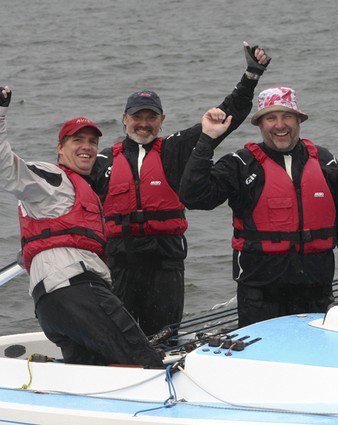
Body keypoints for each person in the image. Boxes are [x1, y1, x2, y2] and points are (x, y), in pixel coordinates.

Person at [90, 42, 271, 337]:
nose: (144, 124)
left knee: (163, 337)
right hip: (119, 265)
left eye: (151, 117)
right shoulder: (103, 161)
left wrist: (251, 75)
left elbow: (227, 116)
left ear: (162, 121)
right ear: (124, 119)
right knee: (118, 336)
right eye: (137, 117)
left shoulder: (174, 149)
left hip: (165, 264)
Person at [0, 86, 163, 368]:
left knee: (93, 372)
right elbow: (4, 170)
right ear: (60, 149)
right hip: (76, 292)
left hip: (50, 306)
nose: (87, 147)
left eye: (92, 142)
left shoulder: (79, 189)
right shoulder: (51, 178)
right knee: (145, 362)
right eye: (77, 140)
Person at [179, 87, 338, 328]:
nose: (280, 125)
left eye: (287, 116)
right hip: (259, 301)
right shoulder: (241, 165)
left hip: (315, 298)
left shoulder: (325, 163)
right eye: (271, 118)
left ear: (298, 120)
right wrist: (207, 140)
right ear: (259, 124)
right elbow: (194, 196)